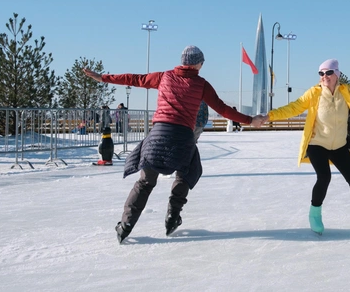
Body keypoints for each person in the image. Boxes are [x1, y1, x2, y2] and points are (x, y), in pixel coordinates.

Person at [83, 45, 263, 243]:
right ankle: (172, 217)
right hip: (183, 139)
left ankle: (125, 225)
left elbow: (135, 79)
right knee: (187, 173)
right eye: (202, 62)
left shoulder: (164, 77)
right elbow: (223, 109)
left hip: (157, 137)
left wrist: (103, 78)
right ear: (198, 64)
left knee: (145, 182)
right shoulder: (201, 84)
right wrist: (250, 120)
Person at [262, 59, 350, 235]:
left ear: (337, 74)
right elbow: (293, 108)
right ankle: (314, 214)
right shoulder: (313, 94)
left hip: (339, 145)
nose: (325, 76)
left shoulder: (348, 91)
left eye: (328, 72)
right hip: (317, 145)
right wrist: (269, 116)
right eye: (321, 73)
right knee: (324, 177)